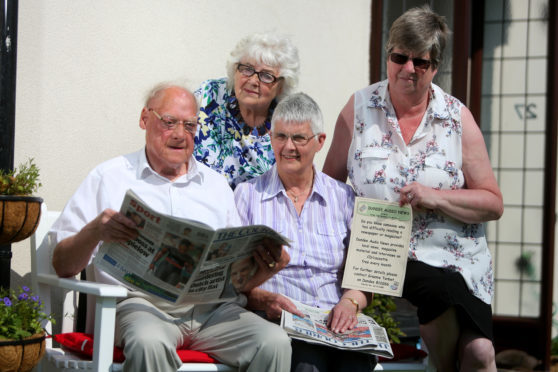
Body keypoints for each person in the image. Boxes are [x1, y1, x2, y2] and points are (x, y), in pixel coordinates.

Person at [50, 83, 291, 372]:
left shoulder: (215, 185)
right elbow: (61, 264)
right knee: (149, 342)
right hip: (141, 308)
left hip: (211, 312)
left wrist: (264, 266)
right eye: (169, 122)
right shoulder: (109, 177)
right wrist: (95, 232)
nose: (179, 134)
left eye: (189, 125)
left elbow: (233, 278)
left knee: (273, 341)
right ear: (144, 119)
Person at [322, 6, 503, 372]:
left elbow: (492, 202)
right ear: (388, 57)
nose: (408, 69)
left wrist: (435, 196)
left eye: (420, 62)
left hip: (458, 260)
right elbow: (328, 189)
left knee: (481, 355)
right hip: (382, 251)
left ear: (435, 67)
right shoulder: (357, 109)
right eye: (399, 57)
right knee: (436, 293)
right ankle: (439, 365)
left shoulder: (456, 116)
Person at [235, 93, 376, 372]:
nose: (288, 147)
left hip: (337, 322)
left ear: (320, 142)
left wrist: (350, 303)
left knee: (356, 365)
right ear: (271, 138)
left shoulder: (343, 197)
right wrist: (263, 300)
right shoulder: (247, 196)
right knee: (307, 366)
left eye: (299, 138)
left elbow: (362, 276)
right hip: (279, 321)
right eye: (281, 137)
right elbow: (232, 281)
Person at [194, 31, 300, 189]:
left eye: (266, 76)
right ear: (235, 69)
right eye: (247, 69)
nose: (253, 81)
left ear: (281, 86)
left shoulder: (285, 126)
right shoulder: (209, 95)